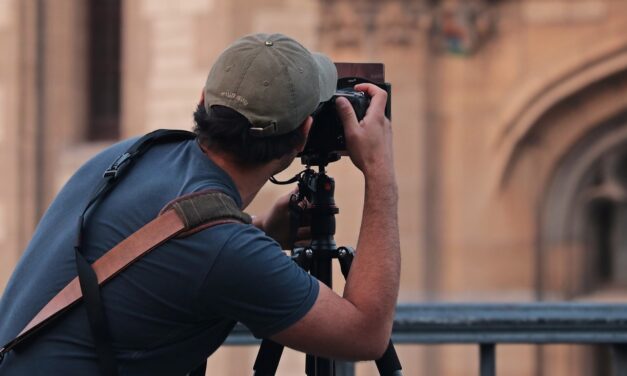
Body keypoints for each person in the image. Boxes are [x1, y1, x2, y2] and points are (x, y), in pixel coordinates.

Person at [0, 33, 399, 375]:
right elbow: (366, 334)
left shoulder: (131, 155)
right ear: (303, 136)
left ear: (204, 100)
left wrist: (257, 231)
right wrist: (380, 172)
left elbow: (175, 256)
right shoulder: (224, 249)